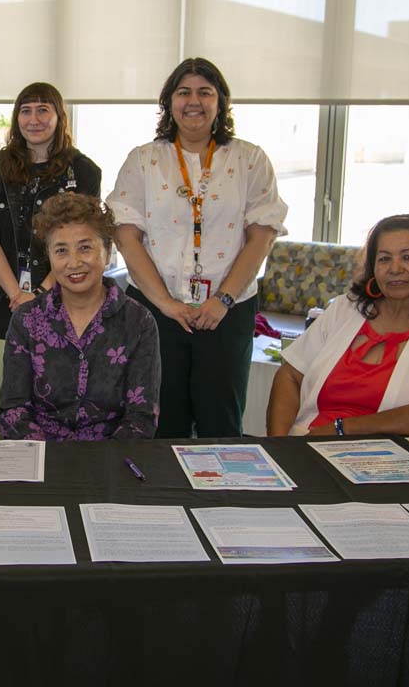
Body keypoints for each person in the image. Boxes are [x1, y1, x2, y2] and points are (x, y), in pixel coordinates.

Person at [107, 57, 287, 438]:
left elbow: (261, 237)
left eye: (205, 92)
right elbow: (127, 237)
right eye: (183, 91)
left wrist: (222, 300)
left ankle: (221, 496)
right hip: (156, 309)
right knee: (159, 416)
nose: (194, 101)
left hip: (227, 310)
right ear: (168, 102)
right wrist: (167, 304)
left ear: (220, 102)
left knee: (221, 418)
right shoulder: (144, 160)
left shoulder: (250, 159)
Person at [266, 214, 409, 437]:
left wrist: (343, 429)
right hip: (307, 447)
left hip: (392, 462)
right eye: (384, 259)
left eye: (408, 257)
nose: (395, 268)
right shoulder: (345, 309)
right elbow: (290, 376)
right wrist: (279, 446)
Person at [0, 193, 159, 440]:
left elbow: (141, 417)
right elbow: (13, 411)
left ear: (107, 252)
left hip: (109, 460)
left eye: (85, 248)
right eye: (61, 250)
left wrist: (97, 465)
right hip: (40, 457)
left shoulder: (139, 321)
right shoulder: (27, 319)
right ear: (50, 257)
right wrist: (51, 459)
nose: (73, 262)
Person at [0, 82, 102, 348]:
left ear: (58, 117)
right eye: (25, 111)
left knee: (57, 381)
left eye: (43, 110)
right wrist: (16, 294)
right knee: (5, 380)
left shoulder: (84, 171)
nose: (33, 120)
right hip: (2, 297)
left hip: (63, 297)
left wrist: (39, 294)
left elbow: (85, 240)